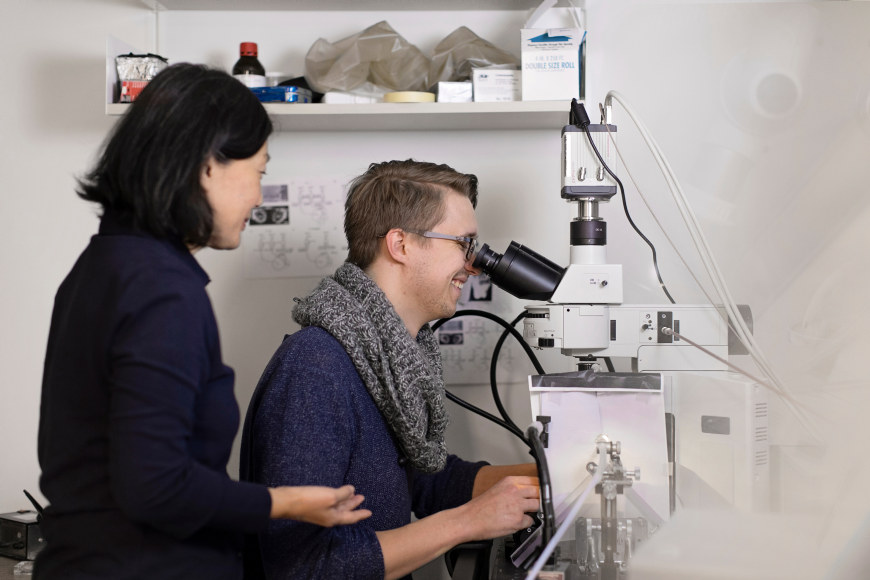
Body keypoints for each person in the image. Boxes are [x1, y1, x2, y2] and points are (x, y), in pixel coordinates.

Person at [35, 63, 370, 580]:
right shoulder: (162, 289)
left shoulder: (105, 264)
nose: (259, 198)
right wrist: (282, 503)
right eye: (258, 172)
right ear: (207, 165)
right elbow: (155, 487)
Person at [241, 159, 541, 579]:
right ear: (400, 245)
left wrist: (551, 479)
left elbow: (427, 482)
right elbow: (305, 567)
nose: (473, 266)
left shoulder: (392, 359)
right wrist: (470, 521)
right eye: (464, 244)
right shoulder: (316, 369)